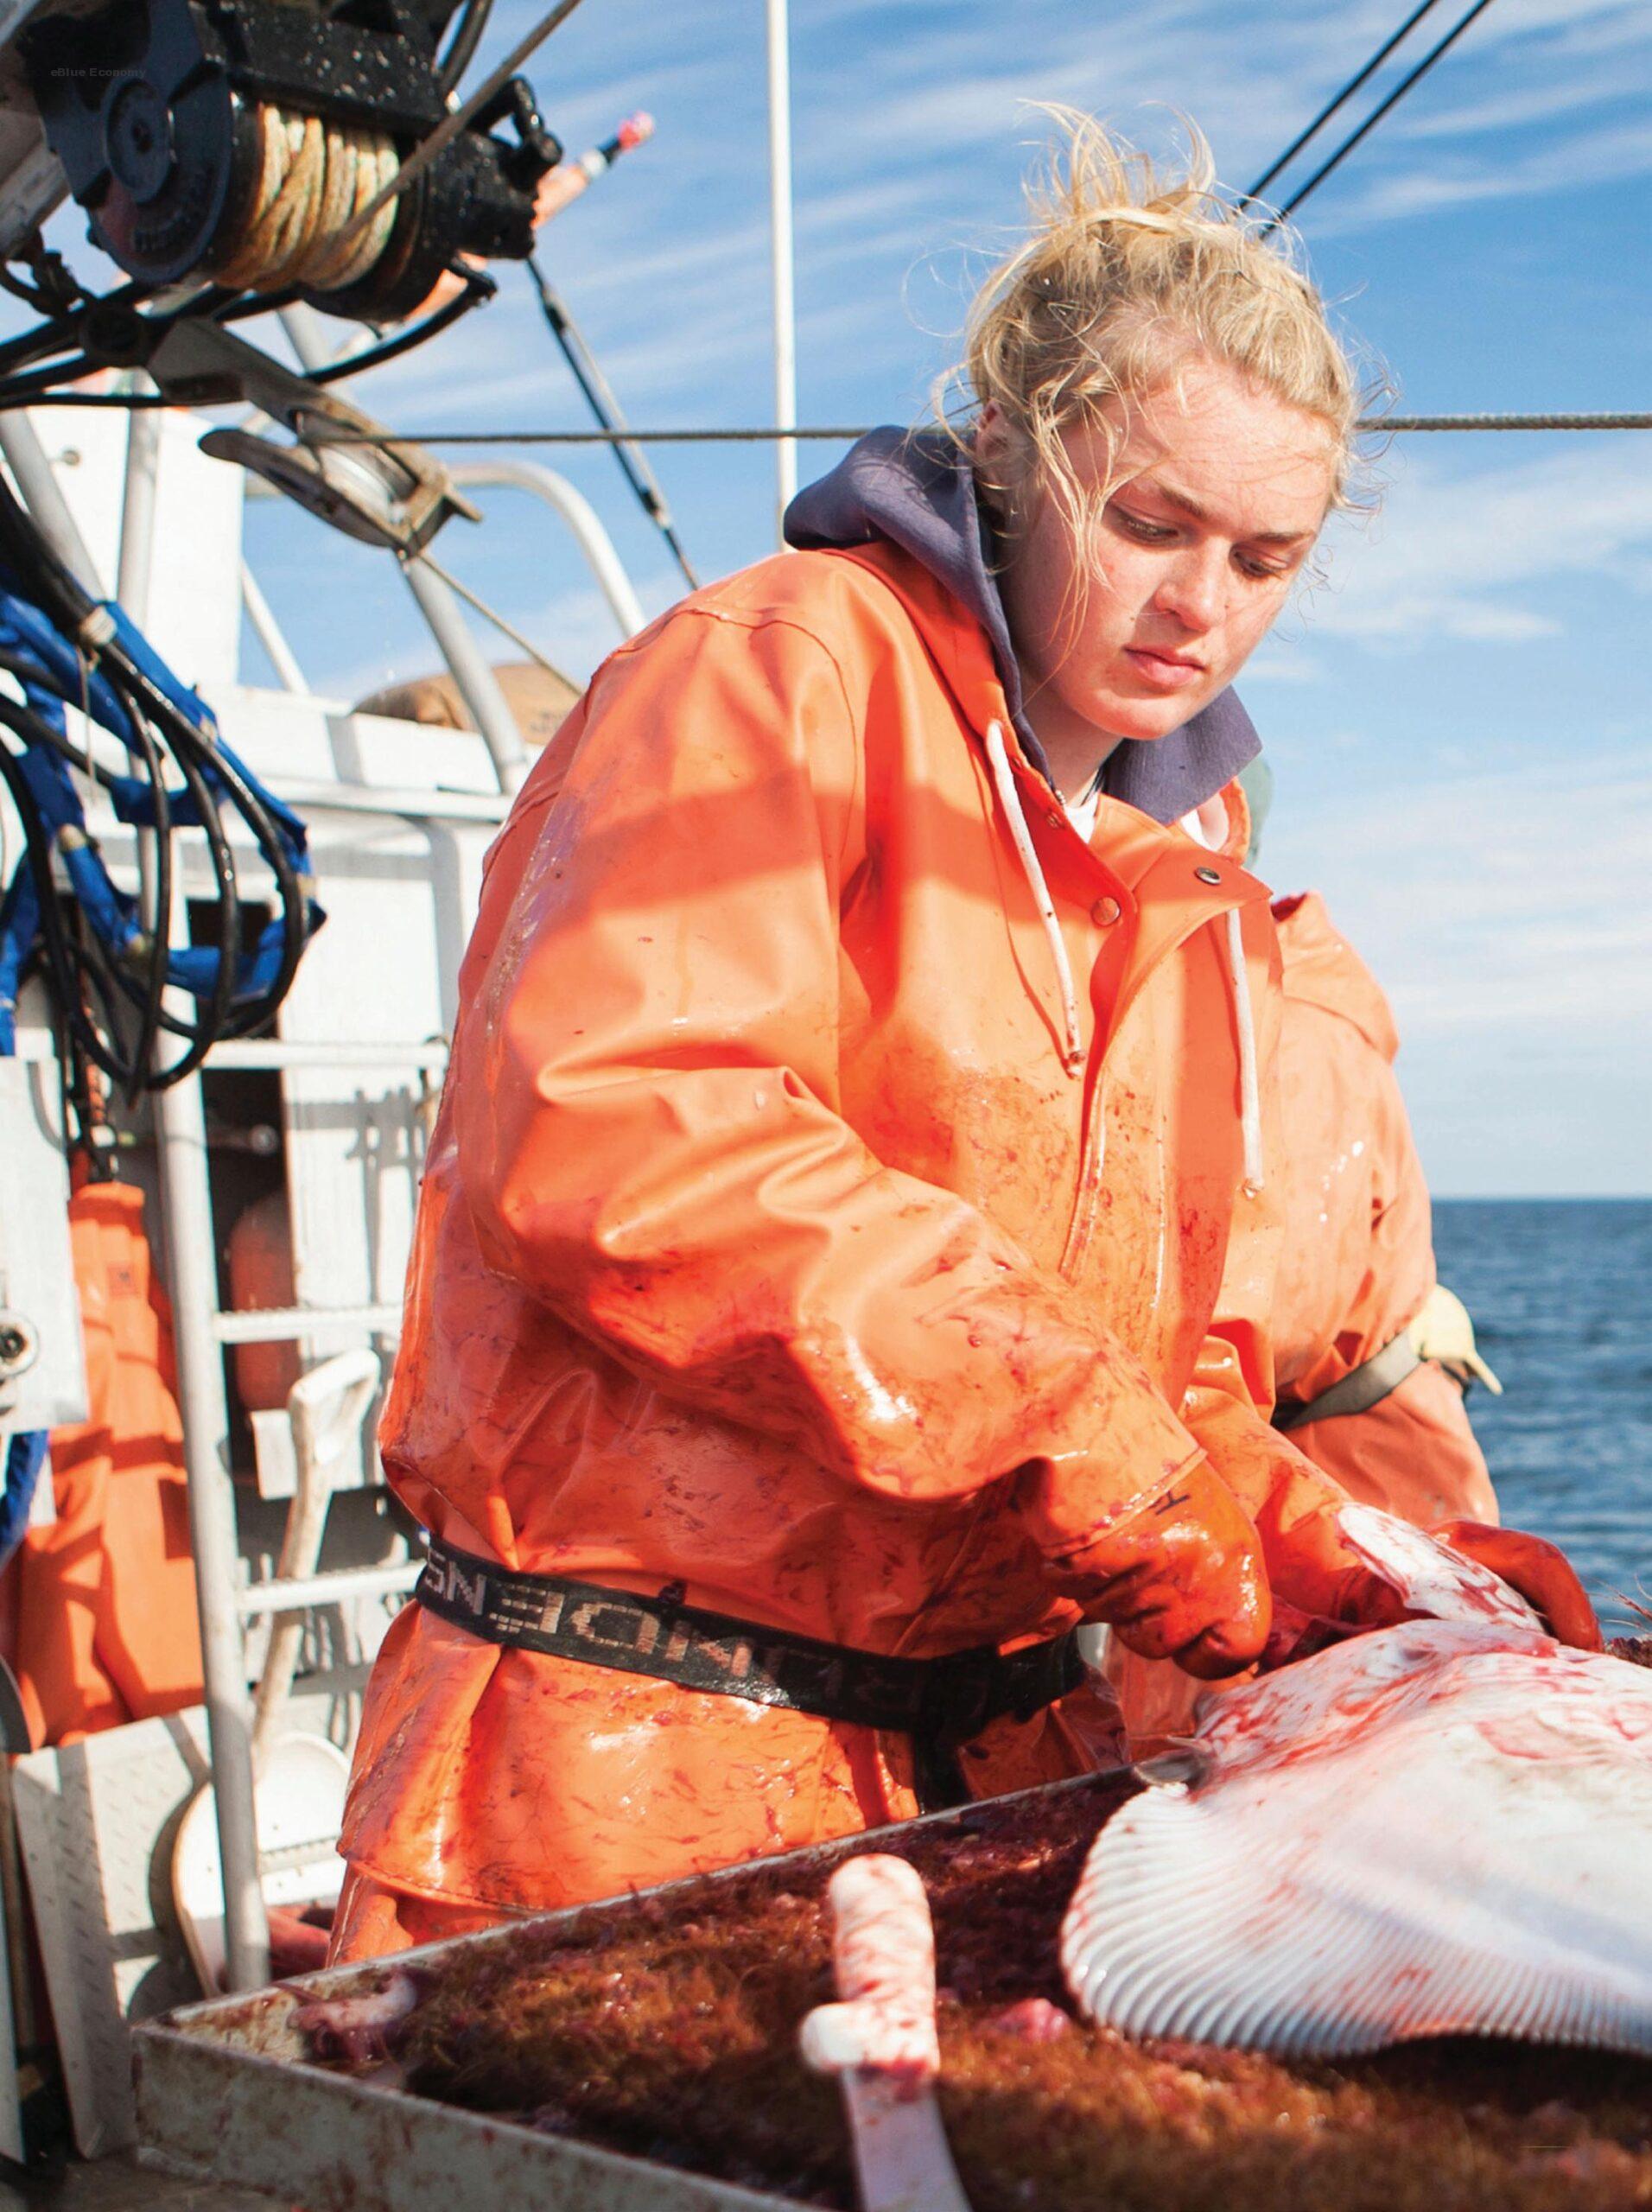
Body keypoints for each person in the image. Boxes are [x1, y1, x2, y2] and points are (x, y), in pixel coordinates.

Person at [331, 114, 1597, 1961]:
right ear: (1006, 451)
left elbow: (1139, 1339)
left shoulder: (1184, 848)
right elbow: (623, 1123)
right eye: (1146, 522)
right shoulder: (776, 666)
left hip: (985, 1776)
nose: (1197, 606)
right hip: (617, 1767)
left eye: (1261, 556)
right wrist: (1098, 1450)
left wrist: (1301, 1534)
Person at [1268, 888, 1501, 1526]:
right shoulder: (1278, 1011)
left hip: (1361, 1486)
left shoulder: (1296, 1030)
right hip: (1350, 1473)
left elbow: (1278, 1320)